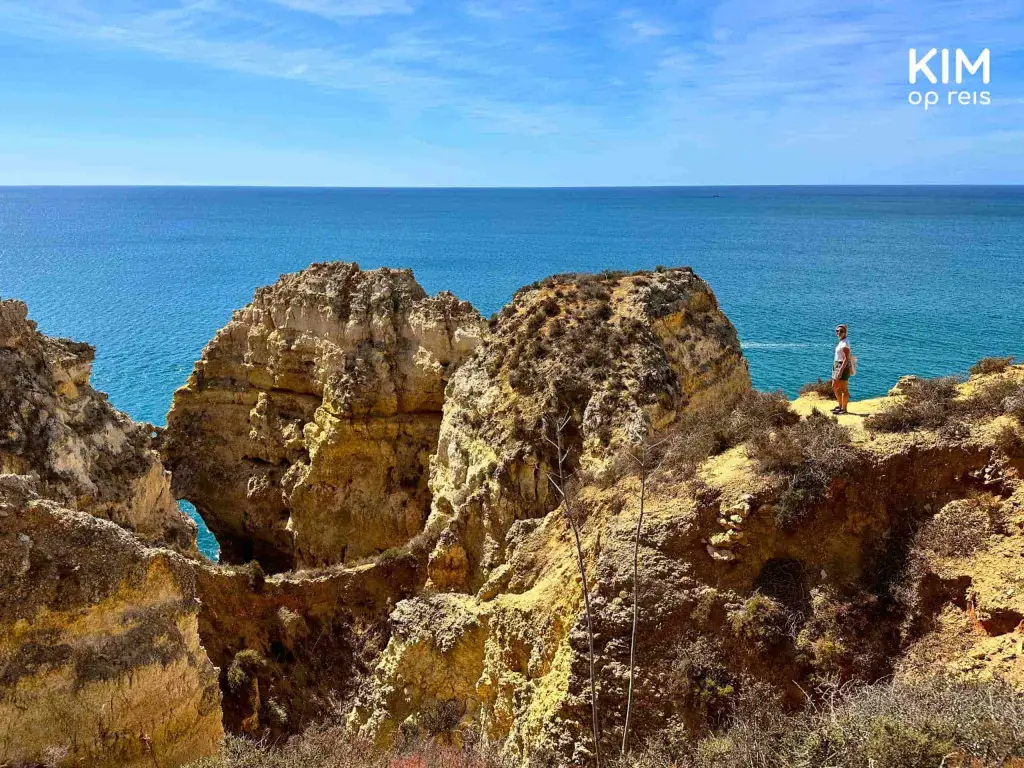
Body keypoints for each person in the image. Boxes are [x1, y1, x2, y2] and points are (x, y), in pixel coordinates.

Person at [831, 324, 851, 414]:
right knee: (835, 387)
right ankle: (840, 406)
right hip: (836, 365)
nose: (839, 332)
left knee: (843, 389)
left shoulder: (845, 343)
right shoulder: (841, 341)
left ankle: (844, 409)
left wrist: (840, 370)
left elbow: (847, 358)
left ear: (845, 332)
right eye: (837, 331)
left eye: (841, 331)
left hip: (842, 366)